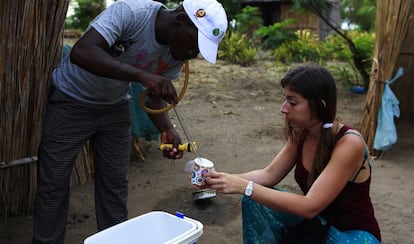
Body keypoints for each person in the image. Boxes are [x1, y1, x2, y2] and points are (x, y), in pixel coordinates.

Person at [32, 0, 227, 243]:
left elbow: (155, 97)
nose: (193, 54)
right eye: (194, 44)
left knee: (115, 188)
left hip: (115, 108)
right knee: (54, 184)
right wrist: (142, 76)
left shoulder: (176, 53)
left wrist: (166, 129)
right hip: (72, 100)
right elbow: (83, 51)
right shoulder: (132, 13)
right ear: (180, 21)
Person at [204, 65, 381, 243]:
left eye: (293, 102)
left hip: (351, 236)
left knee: (252, 193)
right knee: (254, 201)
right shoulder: (302, 132)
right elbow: (268, 175)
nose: (283, 108)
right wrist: (221, 179)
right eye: (285, 100)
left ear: (320, 105)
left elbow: (310, 206)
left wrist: (244, 186)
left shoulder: (349, 144)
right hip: (317, 225)